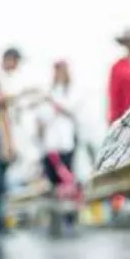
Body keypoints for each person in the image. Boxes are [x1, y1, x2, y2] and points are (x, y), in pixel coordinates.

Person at [0, 47, 42, 239]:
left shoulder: (4, 81)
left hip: (3, 138)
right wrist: (24, 93)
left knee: (0, 182)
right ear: (9, 59)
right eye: (16, 62)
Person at [38, 60, 82, 192]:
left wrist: (54, 103)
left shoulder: (72, 90)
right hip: (51, 145)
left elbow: (71, 108)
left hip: (66, 144)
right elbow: (43, 115)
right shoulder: (50, 91)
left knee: (68, 178)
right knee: (53, 181)